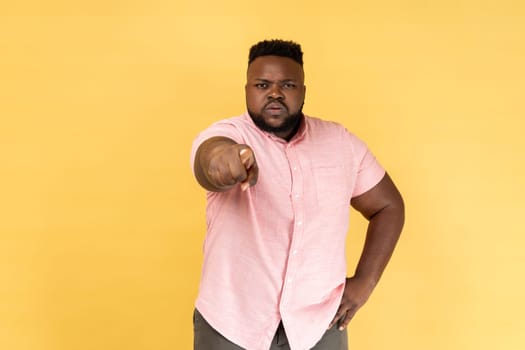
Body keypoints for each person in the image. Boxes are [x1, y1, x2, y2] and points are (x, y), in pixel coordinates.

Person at [190, 39, 405, 350]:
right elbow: (210, 160)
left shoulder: (341, 143)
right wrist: (230, 161)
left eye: (287, 85)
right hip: (231, 325)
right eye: (262, 84)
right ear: (247, 90)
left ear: (303, 91)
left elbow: (388, 205)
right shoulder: (228, 134)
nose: (274, 93)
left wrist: (364, 283)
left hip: (318, 327)